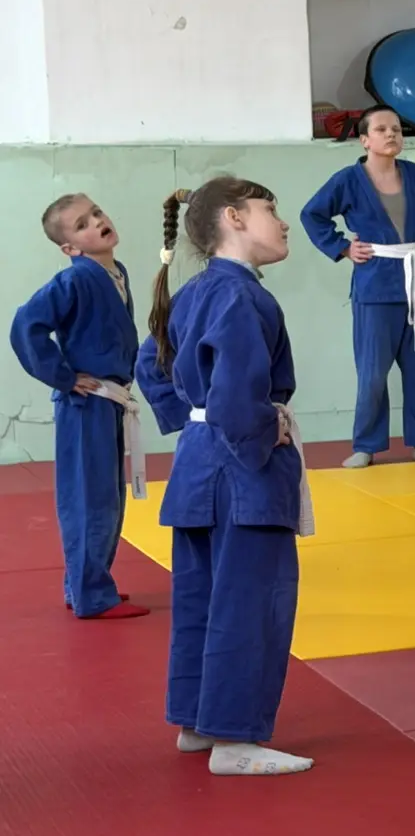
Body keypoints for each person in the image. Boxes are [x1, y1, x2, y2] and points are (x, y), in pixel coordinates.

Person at [138, 180, 316, 776]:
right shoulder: (241, 296)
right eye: (272, 209)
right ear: (234, 218)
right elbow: (238, 391)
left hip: (197, 467)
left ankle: (197, 722)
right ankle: (236, 739)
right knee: (251, 604)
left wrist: (190, 419)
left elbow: (148, 360)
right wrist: (263, 431)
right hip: (243, 472)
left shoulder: (194, 291)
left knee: (202, 600)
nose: (283, 223)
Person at [9, 194, 148, 620]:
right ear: (70, 248)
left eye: (97, 213)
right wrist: (64, 377)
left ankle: (86, 584)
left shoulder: (115, 273)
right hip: (85, 405)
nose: (98, 222)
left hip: (109, 400)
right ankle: (92, 595)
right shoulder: (73, 281)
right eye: (82, 224)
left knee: (108, 496)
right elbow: (26, 325)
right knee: (90, 499)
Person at [299, 106, 415, 469]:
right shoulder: (348, 180)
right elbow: (312, 214)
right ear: (364, 140)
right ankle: (366, 445)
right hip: (375, 287)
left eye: (396, 129)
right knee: (372, 374)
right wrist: (342, 247)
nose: (391, 135)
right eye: (382, 129)